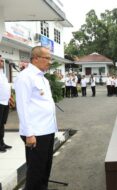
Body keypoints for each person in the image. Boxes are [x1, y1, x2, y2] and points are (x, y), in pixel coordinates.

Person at [14, 46, 58, 190]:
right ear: (36, 58)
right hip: (36, 133)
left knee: (45, 169)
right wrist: (29, 134)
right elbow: (22, 106)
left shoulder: (42, 78)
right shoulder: (25, 77)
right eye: (47, 58)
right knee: (35, 172)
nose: (49, 62)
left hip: (47, 130)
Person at [0, 55, 12, 152]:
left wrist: (9, 97)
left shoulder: (2, 73)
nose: (2, 62)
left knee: (2, 124)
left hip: (5, 102)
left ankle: (2, 143)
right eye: (0, 61)